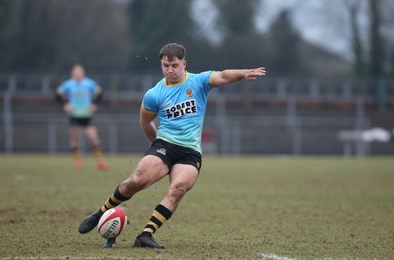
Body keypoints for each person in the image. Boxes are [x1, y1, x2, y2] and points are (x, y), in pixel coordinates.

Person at [78, 43, 266, 248]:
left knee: (178, 188)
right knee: (137, 181)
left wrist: (243, 73)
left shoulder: (198, 81)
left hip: (190, 153)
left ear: (184, 64)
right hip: (165, 145)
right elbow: (145, 122)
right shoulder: (154, 94)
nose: (169, 69)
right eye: (165, 65)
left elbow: (222, 76)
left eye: (174, 65)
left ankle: (145, 235)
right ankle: (101, 212)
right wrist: (157, 147)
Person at [56, 64, 109, 170]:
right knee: (75, 139)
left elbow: (99, 92)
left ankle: (100, 162)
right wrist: (65, 104)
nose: (78, 75)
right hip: (75, 115)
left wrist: (94, 103)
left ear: (83, 73)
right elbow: (58, 93)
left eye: (79, 73)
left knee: (93, 137)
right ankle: (78, 162)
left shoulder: (88, 83)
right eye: (76, 73)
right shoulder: (68, 84)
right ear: (72, 74)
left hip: (86, 115)